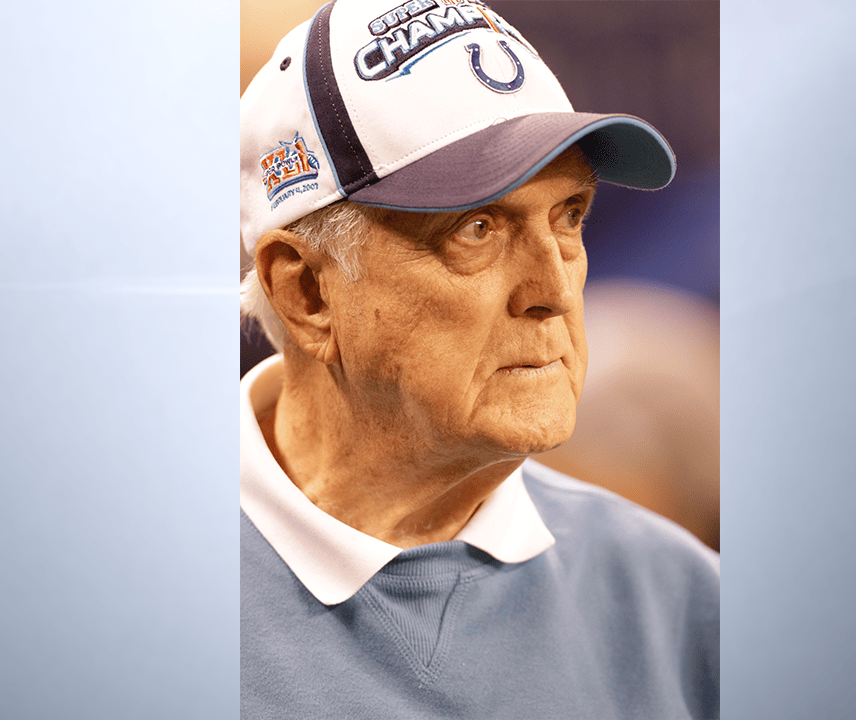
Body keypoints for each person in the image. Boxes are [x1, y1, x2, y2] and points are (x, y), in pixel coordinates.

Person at [238, 1, 719, 717]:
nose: (553, 290)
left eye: (570, 217)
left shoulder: (682, 599)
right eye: (478, 228)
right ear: (305, 291)